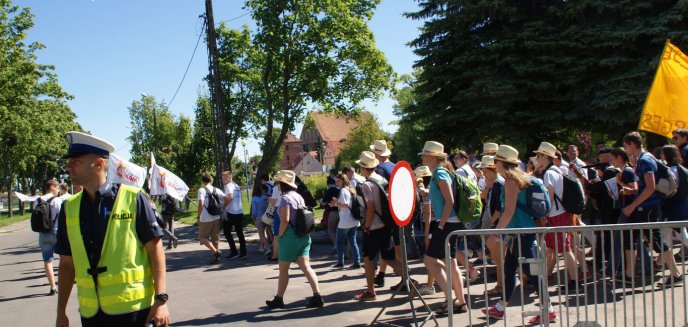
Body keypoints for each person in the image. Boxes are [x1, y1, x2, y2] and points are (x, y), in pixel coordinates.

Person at [55, 131, 169, 327]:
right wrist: (61, 312)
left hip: (134, 311)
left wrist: (161, 300)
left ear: (99, 163)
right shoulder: (69, 207)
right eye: (69, 161)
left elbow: (155, 248)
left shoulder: (134, 198)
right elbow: (66, 264)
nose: (68, 166)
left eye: (76, 161)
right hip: (91, 315)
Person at [482, 145, 556, 323]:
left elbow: (508, 211)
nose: (494, 164)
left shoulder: (510, 181)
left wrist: (495, 234)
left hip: (521, 233)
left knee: (531, 273)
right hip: (521, 232)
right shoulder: (518, 178)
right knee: (510, 269)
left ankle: (549, 310)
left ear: (502, 163)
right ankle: (500, 307)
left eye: (496, 161)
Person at [621, 132, 682, 286]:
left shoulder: (645, 161)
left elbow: (650, 187)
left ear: (632, 144)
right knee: (629, 237)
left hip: (648, 208)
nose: (625, 149)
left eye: (626, 145)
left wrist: (632, 205)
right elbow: (644, 188)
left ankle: (676, 274)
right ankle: (629, 275)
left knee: (656, 241)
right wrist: (632, 192)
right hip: (642, 206)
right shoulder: (642, 159)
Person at [417, 141, 467, 314]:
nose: (422, 157)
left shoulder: (439, 172)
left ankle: (451, 300)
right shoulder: (441, 172)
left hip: (447, 224)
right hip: (452, 223)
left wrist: (440, 225)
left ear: (431, 156)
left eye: (424, 154)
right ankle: (460, 302)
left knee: (429, 261)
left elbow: (450, 200)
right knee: (451, 263)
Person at [265, 170, 324, 309]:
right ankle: (317, 296)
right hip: (303, 235)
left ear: (282, 184)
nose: (277, 185)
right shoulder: (298, 196)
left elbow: (284, 220)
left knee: (283, 269)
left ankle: (279, 299)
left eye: (278, 182)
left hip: (290, 236)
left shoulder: (285, 199)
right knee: (306, 267)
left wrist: (279, 236)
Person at [353, 151, 407, 301]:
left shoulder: (366, 184)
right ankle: (409, 279)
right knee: (389, 257)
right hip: (386, 224)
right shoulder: (382, 179)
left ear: (363, 168)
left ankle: (370, 292)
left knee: (368, 259)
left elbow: (370, 207)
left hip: (374, 227)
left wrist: (367, 226)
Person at [535, 142, 581, 289]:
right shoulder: (557, 171)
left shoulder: (549, 173)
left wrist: (544, 213)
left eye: (538, 155)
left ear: (544, 156)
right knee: (550, 248)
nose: (537, 158)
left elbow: (549, 193)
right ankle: (544, 277)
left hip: (555, 215)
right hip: (560, 213)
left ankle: (574, 281)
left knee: (565, 249)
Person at [478, 156, 506, 295]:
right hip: (497, 224)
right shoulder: (495, 183)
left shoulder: (498, 183)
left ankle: (501, 286)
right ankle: (501, 285)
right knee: (499, 258)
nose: (484, 174)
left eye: (486, 171)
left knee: (499, 258)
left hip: (497, 225)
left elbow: (499, 208)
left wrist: (491, 223)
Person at [36, 179, 62, 296]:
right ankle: (63, 283)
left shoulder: (38, 201)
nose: (58, 190)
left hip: (43, 234)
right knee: (64, 259)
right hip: (57, 232)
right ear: (52, 187)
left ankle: (52, 287)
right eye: (57, 188)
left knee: (47, 261)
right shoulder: (58, 201)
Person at [331, 173, 361, 269]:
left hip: (345, 220)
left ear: (343, 181)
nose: (337, 183)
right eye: (336, 181)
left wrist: (336, 203)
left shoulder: (344, 190)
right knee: (352, 241)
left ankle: (340, 262)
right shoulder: (351, 189)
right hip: (353, 220)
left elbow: (345, 204)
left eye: (339, 181)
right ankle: (357, 262)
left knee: (339, 242)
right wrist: (338, 203)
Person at [197, 173, 227, 264]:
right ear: (211, 180)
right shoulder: (217, 189)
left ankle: (215, 252)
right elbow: (227, 197)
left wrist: (198, 216)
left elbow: (201, 204)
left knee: (202, 238)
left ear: (202, 181)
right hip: (216, 216)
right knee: (215, 239)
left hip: (206, 218)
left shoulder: (201, 190)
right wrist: (222, 207)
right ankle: (216, 259)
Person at [222, 171, 246, 259]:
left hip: (231, 213)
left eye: (225, 178)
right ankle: (243, 253)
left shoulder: (228, 186)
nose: (223, 180)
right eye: (223, 178)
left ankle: (234, 251)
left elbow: (230, 197)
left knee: (226, 232)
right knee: (240, 233)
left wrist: (223, 206)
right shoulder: (236, 185)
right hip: (239, 212)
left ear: (230, 177)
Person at [321, 176, 341, 254]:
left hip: (333, 212)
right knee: (338, 230)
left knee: (331, 229)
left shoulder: (330, 190)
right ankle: (339, 245)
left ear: (328, 184)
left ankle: (337, 246)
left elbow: (323, 202)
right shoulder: (340, 189)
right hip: (341, 211)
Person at [252, 185, 271, 255]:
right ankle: (261, 246)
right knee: (263, 231)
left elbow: (254, 210)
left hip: (258, 216)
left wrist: (253, 216)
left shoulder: (254, 198)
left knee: (261, 234)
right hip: (265, 216)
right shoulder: (266, 197)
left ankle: (267, 248)